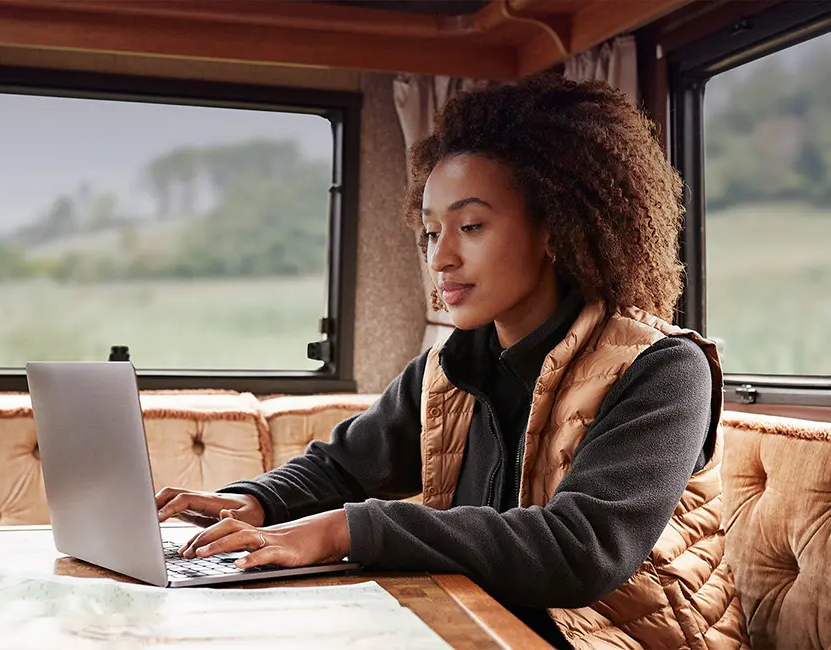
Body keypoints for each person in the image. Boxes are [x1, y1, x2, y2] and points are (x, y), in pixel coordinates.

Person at [155, 74, 747, 649]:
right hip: (479, 625)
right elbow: (342, 467)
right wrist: (256, 500)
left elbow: (580, 550)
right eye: (432, 233)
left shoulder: (665, 369)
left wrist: (343, 530)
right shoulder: (448, 367)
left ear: (555, 229)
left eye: (470, 225)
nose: (441, 259)